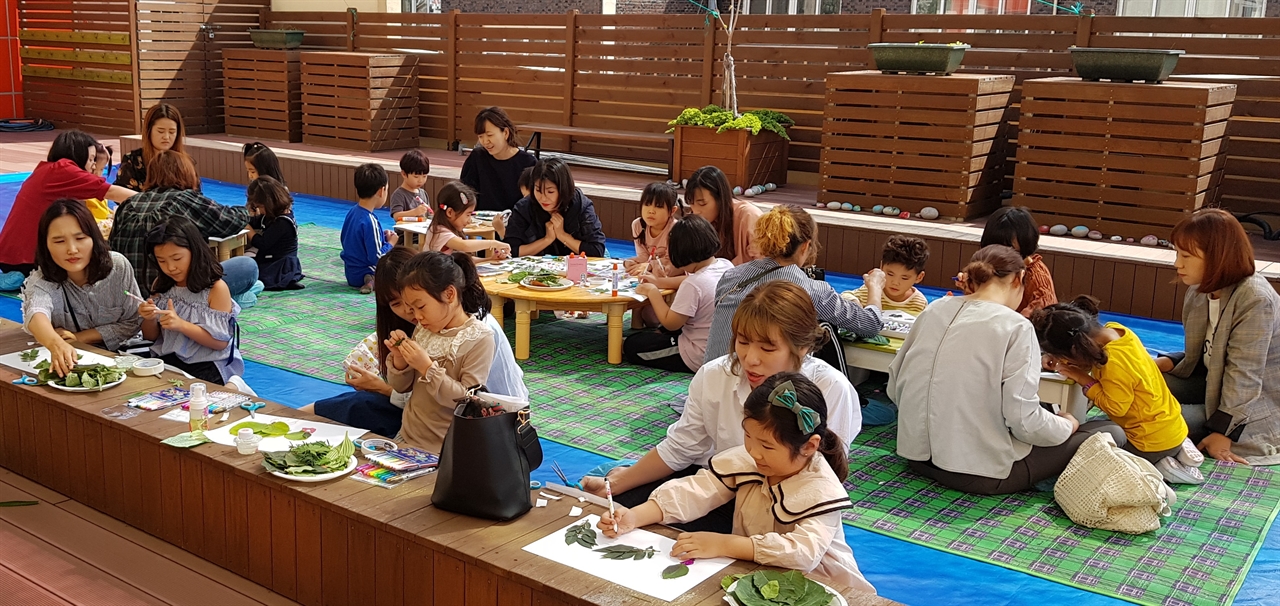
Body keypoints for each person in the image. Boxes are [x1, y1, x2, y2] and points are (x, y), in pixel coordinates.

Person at [584, 281, 861, 533]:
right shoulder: (716, 374)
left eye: (767, 348)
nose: (750, 359)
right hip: (716, 484)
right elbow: (681, 447)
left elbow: (824, 479)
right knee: (623, 511)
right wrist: (617, 484)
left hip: (783, 504)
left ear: (801, 349)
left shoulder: (830, 389)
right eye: (743, 342)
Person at [599, 373, 874, 595]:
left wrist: (726, 544)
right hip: (760, 576)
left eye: (766, 445)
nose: (754, 452)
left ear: (809, 446)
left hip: (819, 586)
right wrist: (635, 516)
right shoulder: (750, 460)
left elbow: (802, 553)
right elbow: (695, 491)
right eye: (748, 437)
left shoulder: (821, 490)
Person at [889, 245, 1121, 495]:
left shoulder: (934, 309)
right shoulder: (1016, 327)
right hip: (977, 474)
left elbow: (895, 385)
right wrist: (1067, 424)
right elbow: (1023, 422)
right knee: (1110, 431)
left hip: (915, 457)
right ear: (1019, 279)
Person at [1033, 296, 1205, 484]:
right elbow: (1092, 359)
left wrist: (1084, 380)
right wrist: (1064, 360)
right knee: (1102, 426)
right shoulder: (1118, 332)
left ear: (1075, 349)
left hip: (1147, 442)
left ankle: (1159, 466)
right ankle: (1176, 448)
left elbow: (1116, 408)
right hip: (1170, 424)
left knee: (1084, 458)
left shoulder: (1114, 362)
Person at [1155, 209, 1280, 466]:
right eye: (1177, 253)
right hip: (1215, 384)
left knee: (1155, 420)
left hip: (1252, 404)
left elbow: (1245, 375)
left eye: (1186, 256)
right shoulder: (1200, 290)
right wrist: (1170, 361)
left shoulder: (1255, 299)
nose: (1177, 263)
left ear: (1217, 257)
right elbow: (1208, 352)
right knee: (1144, 384)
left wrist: (1223, 433)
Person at [704, 204, 885, 362]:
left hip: (711, 378)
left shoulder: (731, 276)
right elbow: (870, 325)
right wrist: (875, 288)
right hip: (760, 385)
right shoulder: (808, 289)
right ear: (805, 246)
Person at [108, 151, 259, 303]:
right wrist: (251, 208)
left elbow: (112, 251)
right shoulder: (185, 199)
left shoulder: (127, 205)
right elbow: (230, 221)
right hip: (173, 293)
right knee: (248, 267)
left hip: (129, 295)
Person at [384, 252, 496, 453]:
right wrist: (400, 358)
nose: (417, 316)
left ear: (449, 294)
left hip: (446, 449)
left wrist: (427, 368)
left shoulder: (479, 337)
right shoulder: (424, 329)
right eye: (412, 308)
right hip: (407, 435)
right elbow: (401, 387)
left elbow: (466, 401)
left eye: (421, 307)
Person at [22, 200, 143, 374]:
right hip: (77, 364)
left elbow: (133, 321)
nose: (72, 249)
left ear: (94, 238)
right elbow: (35, 312)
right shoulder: (43, 279)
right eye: (59, 241)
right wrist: (56, 343)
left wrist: (80, 338)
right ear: (46, 246)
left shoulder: (118, 266)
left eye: (80, 238)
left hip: (127, 359)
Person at [0, 130, 135, 275]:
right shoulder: (63, 169)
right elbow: (111, 192)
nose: (93, 166)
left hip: (13, 257)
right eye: (91, 159)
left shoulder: (49, 170)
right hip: (25, 260)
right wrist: (153, 200)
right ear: (78, 155)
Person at [139, 216, 244, 386]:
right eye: (162, 261)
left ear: (194, 251)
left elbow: (220, 343)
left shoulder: (215, 289)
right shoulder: (161, 284)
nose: (170, 267)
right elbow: (151, 336)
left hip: (208, 363)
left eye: (177, 258)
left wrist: (181, 325)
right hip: (169, 361)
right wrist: (149, 318)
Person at [624, 216, 732, 373]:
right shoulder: (725, 265)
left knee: (632, 345)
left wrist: (653, 292)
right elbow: (691, 281)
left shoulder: (693, 284)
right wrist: (660, 282)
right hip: (722, 349)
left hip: (697, 355)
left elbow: (671, 323)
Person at [502, 157, 606, 258]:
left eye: (550, 191)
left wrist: (562, 235)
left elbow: (596, 251)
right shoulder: (524, 208)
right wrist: (547, 239)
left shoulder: (580, 206)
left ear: (563, 189)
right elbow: (511, 250)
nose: (543, 198)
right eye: (538, 190)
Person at [976, 206, 1056, 317]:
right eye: (993, 248)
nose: (1000, 255)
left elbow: (1043, 313)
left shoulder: (1036, 276)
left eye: (1009, 249)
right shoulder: (988, 265)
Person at [461, 106, 537, 215]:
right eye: (481, 136)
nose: (485, 141)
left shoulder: (528, 163)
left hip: (515, 225)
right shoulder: (477, 157)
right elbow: (465, 193)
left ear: (505, 133)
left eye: (490, 135)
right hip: (479, 224)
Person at [341, 163, 399, 294]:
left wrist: (381, 237)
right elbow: (377, 257)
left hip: (350, 273)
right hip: (365, 271)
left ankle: (370, 279)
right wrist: (391, 243)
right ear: (381, 191)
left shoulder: (352, 212)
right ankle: (371, 280)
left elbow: (349, 240)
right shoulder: (370, 220)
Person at [686, 165, 761, 266]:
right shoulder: (695, 221)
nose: (696, 211)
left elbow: (764, 265)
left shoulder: (748, 216)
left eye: (702, 204)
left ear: (720, 198)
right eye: (691, 203)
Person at [842, 235, 929, 316]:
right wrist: (855, 303)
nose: (895, 282)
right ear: (881, 267)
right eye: (890, 274)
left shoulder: (919, 303)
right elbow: (844, 296)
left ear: (919, 277)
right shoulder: (870, 292)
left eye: (904, 278)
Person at [245, 176, 303, 291]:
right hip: (274, 259)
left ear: (269, 203)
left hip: (280, 265)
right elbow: (256, 222)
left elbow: (262, 244)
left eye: (260, 207)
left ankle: (285, 280)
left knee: (249, 274)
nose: (259, 211)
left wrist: (248, 229)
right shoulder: (272, 216)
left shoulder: (283, 222)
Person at [426, 181, 511, 258]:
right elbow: (465, 246)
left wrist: (491, 259)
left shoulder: (451, 229)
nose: (470, 220)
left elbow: (467, 262)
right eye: (468, 214)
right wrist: (493, 243)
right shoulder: (439, 231)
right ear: (450, 212)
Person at [624, 182, 683, 288]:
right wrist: (629, 262)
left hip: (672, 278)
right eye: (647, 204)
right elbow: (644, 256)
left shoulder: (676, 229)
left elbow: (672, 263)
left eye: (659, 206)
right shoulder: (638, 225)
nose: (651, 211)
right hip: (652, 274)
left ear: (672, 211)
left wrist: (649, 265)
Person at [115, 103, 186, 191]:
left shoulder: (184, 163)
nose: (166, 137)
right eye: (160, 131)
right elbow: (121, 195)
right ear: (149, 131)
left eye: (172, 132)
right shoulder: (132, 161)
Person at [391, 150, 432, 221]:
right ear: (404, 174)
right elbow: (396, 216)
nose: (420, 180)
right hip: (404, 231)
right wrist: (415, 212)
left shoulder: (423, 193)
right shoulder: (399, 195)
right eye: (416, 177)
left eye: (424, 176)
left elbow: (429, 215)